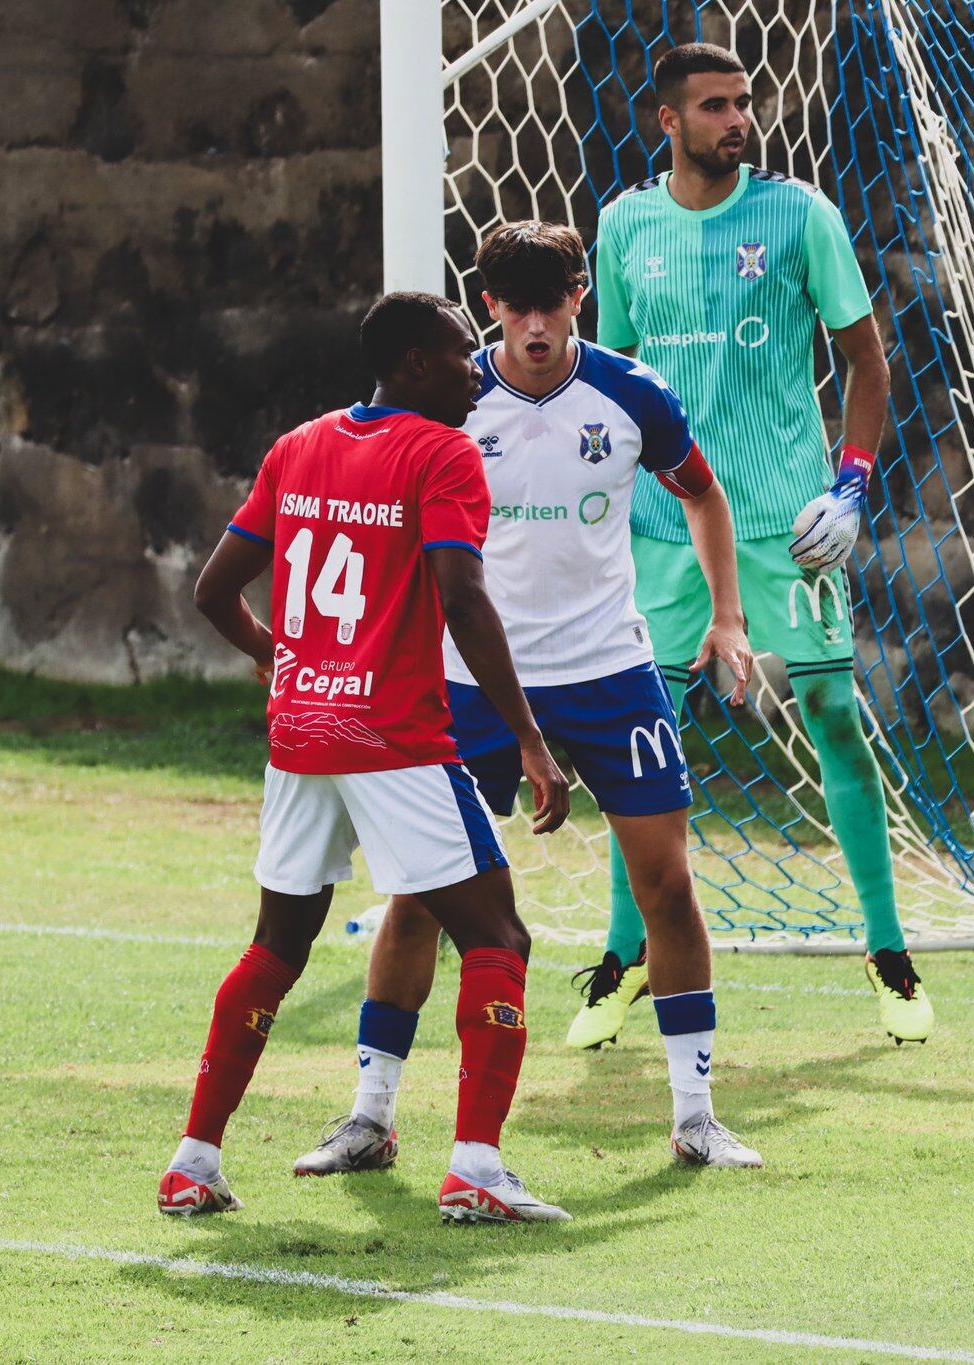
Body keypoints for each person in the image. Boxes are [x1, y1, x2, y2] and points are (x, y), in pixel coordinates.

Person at [293, 222, 765, 1179]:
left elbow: (704, 496)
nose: (538, 325)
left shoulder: (633, 393)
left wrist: (728, 619)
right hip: (470, 684)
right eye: (518, 306)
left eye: (554, 304)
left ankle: (695, 1115)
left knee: (667, 885)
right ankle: (371, 1114)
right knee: (419, 898)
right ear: (491, 306)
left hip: (610, 672)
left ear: (579, 297)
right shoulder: (449, 400)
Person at [159, 291, 576, 1224]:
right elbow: (462, 599)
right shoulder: (443, 452)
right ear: (416, 364)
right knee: (499, 939)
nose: (479, 372)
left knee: (277, 944)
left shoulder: (298, 445)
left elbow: (213, 589)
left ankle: (195, 1159)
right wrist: (529, 738)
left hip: (301, 733)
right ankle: (476, 1167)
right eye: (465, 356)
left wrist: (285, 657)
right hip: (394, 736)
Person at [563, 40, 934, 1050]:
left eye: (743, 102)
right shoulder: (623, 226)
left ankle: (888, 949)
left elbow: (866, 359)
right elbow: (615, 376)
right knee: (641, 734)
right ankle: (623, 952)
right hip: (659, 525)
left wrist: (850, 482)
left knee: (830, 710)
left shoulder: (798, 215)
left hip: (784, 523)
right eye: (715, 105)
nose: (736, 118)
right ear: (665, 122)